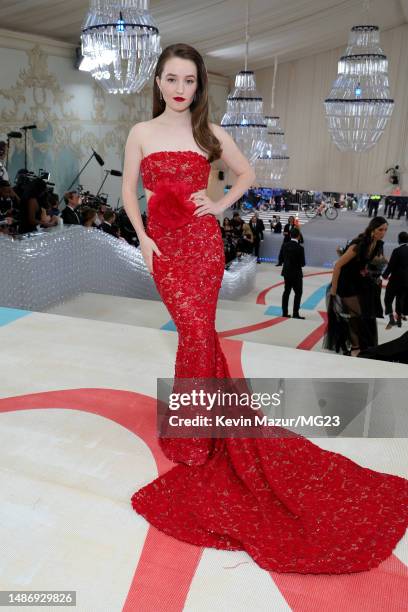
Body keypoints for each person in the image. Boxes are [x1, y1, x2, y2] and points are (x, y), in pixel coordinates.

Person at [123, 44, 408, 574]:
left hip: (202, 247)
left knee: (194, 334)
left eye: (189, 79)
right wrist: (141, 236)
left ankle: (193, 437)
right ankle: (198, 426)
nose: (180, 87)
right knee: (193, 333)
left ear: (198, 84)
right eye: (170, 78)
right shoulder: (141, 132)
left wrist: (222, 204)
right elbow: (125, 192)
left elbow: (248, 175)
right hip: (163, 250)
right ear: (158, 81)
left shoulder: (208, 135)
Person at [326, 217, 388, 357]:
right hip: (345, 283)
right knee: (356, 316)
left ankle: (360, 344)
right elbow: (338, 266)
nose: (383, 233)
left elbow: (364, 261)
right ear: (372, 229)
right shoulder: (358, 245)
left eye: (385, 230)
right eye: (380, 230)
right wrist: (334, 290)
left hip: (357, 281)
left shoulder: (376, 244)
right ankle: (355, 347)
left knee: (361, 315)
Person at [383, 231, 408, 329]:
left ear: (399, 240)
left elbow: (391, 266)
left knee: (388, 299)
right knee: (400, 300)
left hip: (395, 281)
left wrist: (384, 275)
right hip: (406, 282)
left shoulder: (397, 251)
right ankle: (399, 321)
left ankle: (391, 319)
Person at [281, 227, 306, 318]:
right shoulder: (300, 248)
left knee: (286, 292)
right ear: (299, 236)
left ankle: (284, 312)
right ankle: (295, 313)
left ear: (290, 235)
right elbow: (302, 263)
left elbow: (281, 258)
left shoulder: (284, 245)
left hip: (286, 272)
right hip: (296, 274)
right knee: (298, 293)